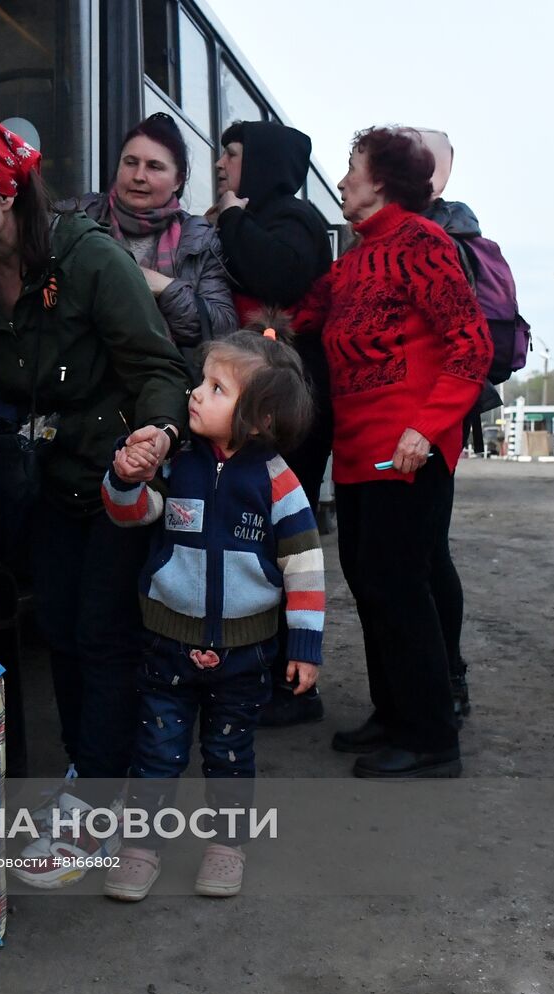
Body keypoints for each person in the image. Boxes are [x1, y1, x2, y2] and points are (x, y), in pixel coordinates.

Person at [0, 118, 190, 884]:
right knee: (55, 624)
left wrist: (155, 437)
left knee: (102, 631)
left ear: (3, 194)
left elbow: (157, 366)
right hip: (54, 480)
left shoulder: (90, 258)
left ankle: (97, 795)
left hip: (124, 483)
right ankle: (93, 772)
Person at [292, 127, 491, 780]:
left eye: (352, 168)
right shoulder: (354, 256)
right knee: (371, 583)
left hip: (408, 452)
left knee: (402, 588)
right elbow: (304, 319)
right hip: (356, 451)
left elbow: (469, 344)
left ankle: (432, 736)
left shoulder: (422, 243)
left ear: (381, 180)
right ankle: (394, 712)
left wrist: (426, 429)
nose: (343, 179)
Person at [100, 325, 322, 900]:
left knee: (229, 756)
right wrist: (125, 479)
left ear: (261, 419)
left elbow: (304, 569)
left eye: (216, 388)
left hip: (246, 654)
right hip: (167, 644)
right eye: (201, 381)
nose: (195, 394)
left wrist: (304, 647)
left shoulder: (280, 485)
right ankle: (141, 848)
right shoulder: (179, 463)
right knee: (155, 752)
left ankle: (227, 848)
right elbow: (133, 515)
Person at [206, 121, 334, 728]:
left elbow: (278, 276)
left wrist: (231, 218)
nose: (222, 165)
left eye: (231, 154)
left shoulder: (296, 218)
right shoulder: (267, 213)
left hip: (288, 405)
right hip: (259, 400)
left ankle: (294, 686)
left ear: (261, 161)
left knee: (282, 543)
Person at [59, 112, 237, 379]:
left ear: (178, 180)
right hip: (77, 384)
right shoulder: (78, 217)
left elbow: (222, 327)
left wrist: (163, 287)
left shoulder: (199, 238)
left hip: (164, 390)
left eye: (154, 166)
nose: (139, 176)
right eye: (130, 162)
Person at [417, 127, 493, 724]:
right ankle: (440, 679)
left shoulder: (443, 238)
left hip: (434, 419)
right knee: (424, 552)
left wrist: (431, 418)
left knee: (426, 553)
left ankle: (448, 678)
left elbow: (461, 344)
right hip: (426, 417)